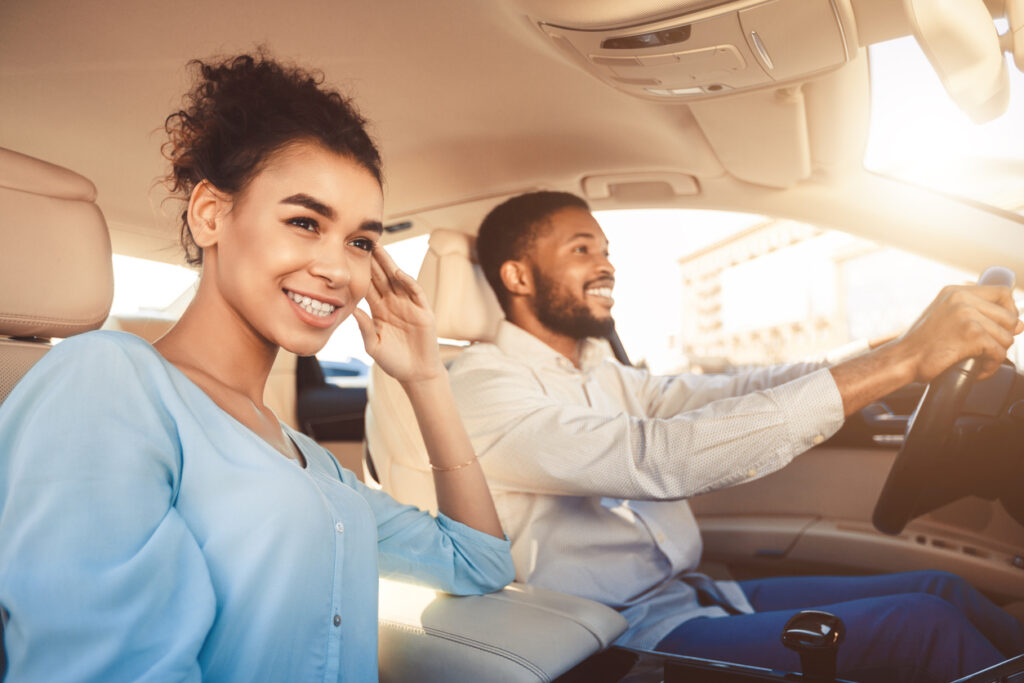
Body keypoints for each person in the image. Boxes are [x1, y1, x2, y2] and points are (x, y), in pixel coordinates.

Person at [0, 53, 513, 682]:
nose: (338, 269)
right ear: (211, 215)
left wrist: (426, 378)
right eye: (304, 222)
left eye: (360, 242)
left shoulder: (308, 460)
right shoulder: (107, 381)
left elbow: (479, 561)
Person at [446, 190, 1024, 682]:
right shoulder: (481, 388)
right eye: (581, 250)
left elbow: (729, 391)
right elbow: (655, 459)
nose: (606, 266)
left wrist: (892, 347)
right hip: (616, 638)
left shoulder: (601, 368)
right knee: (919, 625)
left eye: (605, 251)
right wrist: (901, 363)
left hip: (692, 593)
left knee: (940, 588)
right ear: (517, 275)